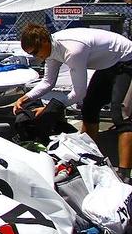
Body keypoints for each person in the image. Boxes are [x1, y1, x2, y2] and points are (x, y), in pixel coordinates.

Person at [14, 23, 132, 180]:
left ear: (44, 41)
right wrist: (26, 98)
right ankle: (91, 158)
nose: (37, 57)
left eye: (36, 52)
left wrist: (50, 108)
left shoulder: (72, 50)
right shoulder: (51, 50)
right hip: (108, 64)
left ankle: (125, 175)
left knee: (121, 115)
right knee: (89, 108)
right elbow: (48, 82)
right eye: (32, 54)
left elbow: (78, 93)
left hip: (127, 59)